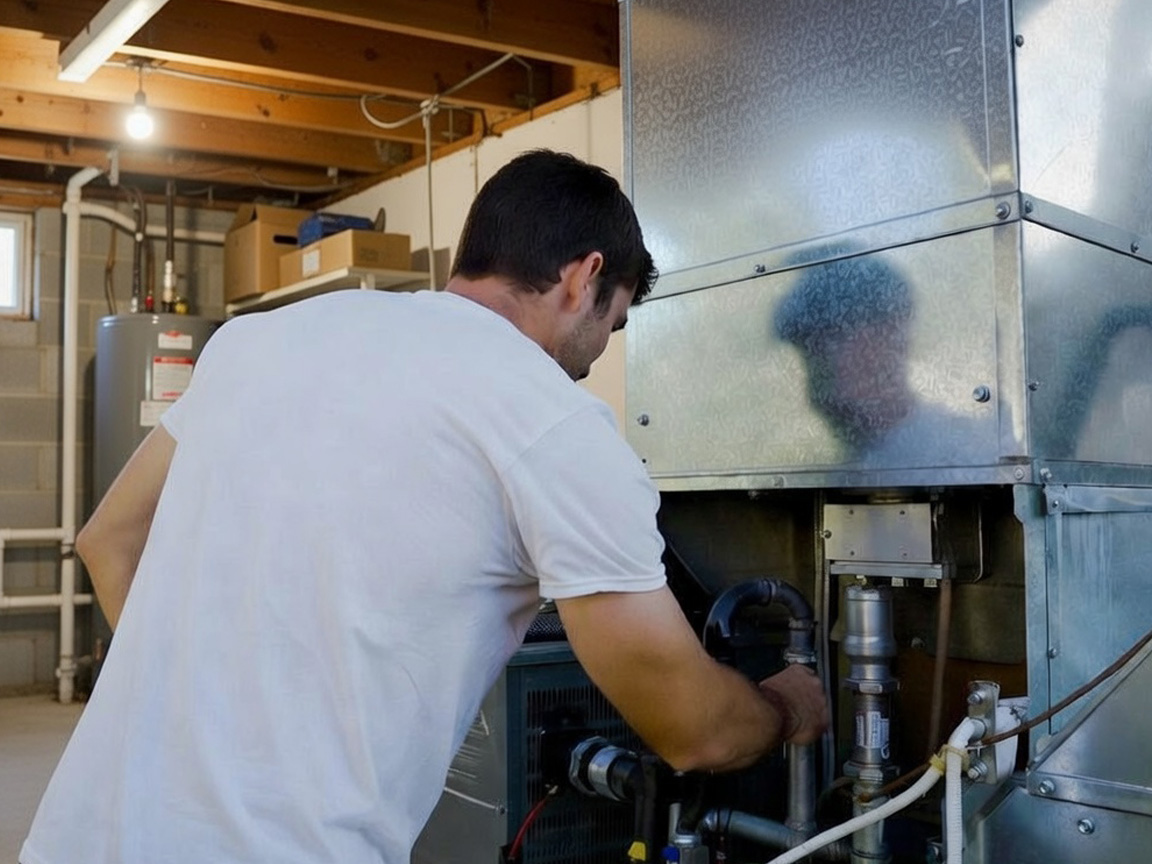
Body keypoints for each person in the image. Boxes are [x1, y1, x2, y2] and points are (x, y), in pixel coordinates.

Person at [22, 150, 828, 864]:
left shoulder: (254, 342)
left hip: (75, 834)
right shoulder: (552, 418)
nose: (594, 357)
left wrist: (211, 710)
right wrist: (785, 708)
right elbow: (694, 729)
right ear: (585, 278)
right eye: (610, 325)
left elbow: (107, 541)